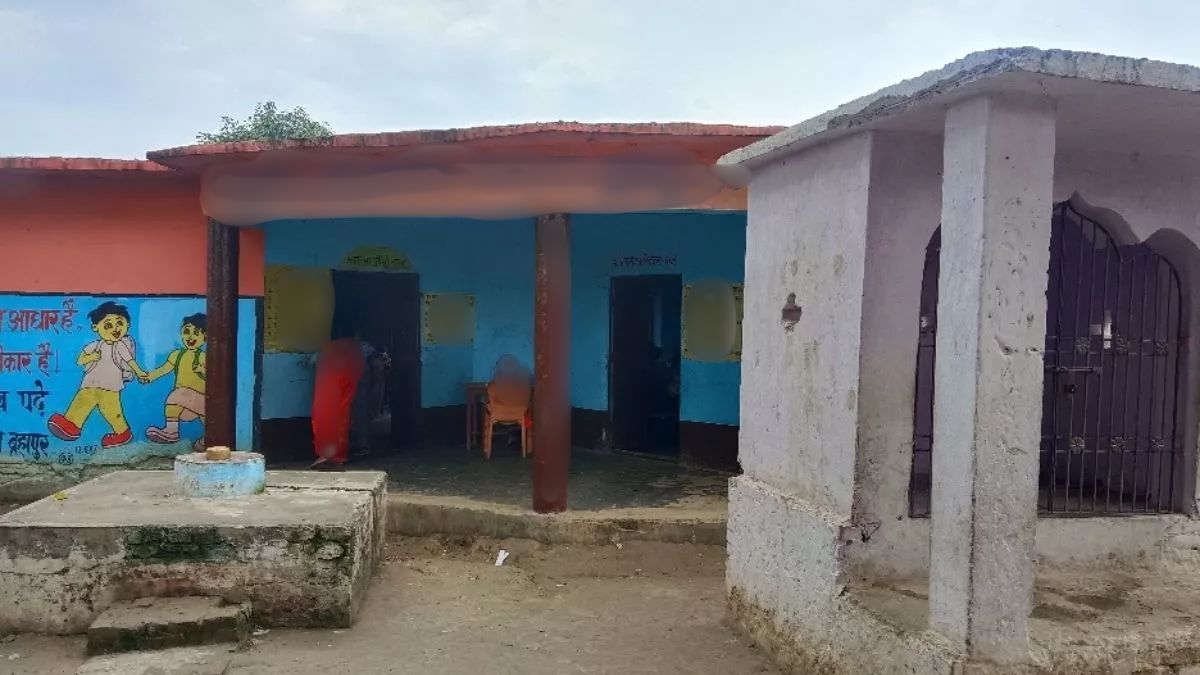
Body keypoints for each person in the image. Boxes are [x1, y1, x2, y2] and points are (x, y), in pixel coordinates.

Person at [47, 301, 150, 449]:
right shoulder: (93, 346)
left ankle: (122, 433)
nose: (115, 329)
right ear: (96, 327)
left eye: (119, 323)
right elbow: (80, 360)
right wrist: (91, 357)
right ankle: (71, 425)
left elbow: (130, 361)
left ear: (127, 324)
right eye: (108, 325)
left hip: (110, 385)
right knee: (81, 401)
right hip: (91, 382)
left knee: (111, 410)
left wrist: (140, 373)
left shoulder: (121, 344)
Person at [145, 313, 207, 450]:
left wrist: (203, 371)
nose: (190, 337)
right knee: (177, 396)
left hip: (201, 403)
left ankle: (174, 432)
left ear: (205, 336)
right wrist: (150, 377)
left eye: (196, 333)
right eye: (187, 332)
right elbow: (164, 369)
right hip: (184, 406)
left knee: (177, 394)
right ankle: (172, 431)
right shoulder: (177, 355)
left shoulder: (203, 357)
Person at [310, 331, 367, 470]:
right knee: (343, 417)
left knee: (325, 416)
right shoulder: (356, 350)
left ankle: (328, 455)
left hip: (331, 389)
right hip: (345, 388)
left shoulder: (329, 350)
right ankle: (337, 456)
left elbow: (313, 362)